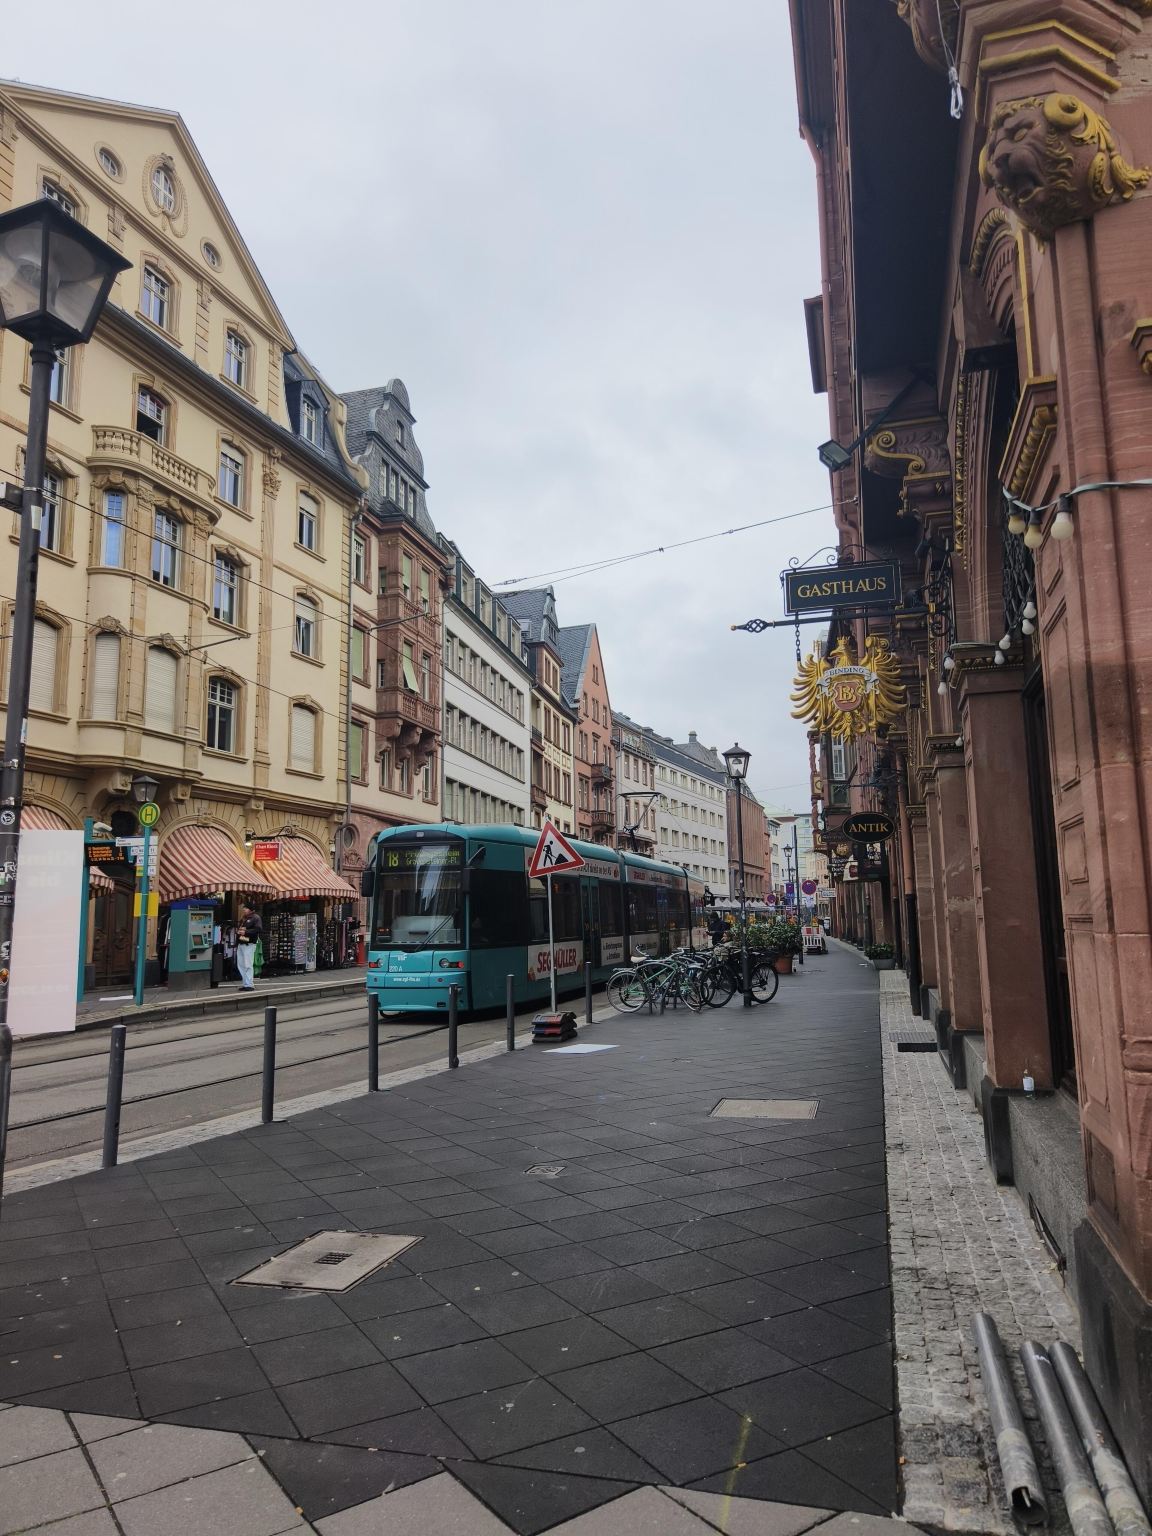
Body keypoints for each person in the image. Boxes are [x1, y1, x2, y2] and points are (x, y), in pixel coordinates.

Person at [236, 905, 262, 991]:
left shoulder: (255, 918)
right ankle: (245, 983)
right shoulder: (244, 918)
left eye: (246, 908)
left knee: (248, 964)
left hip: (249, 944)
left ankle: (249, 984)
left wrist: (246, 932)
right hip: (241, 943)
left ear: (251, 909)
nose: (244, 909)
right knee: (241, 964)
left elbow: (258, 929)